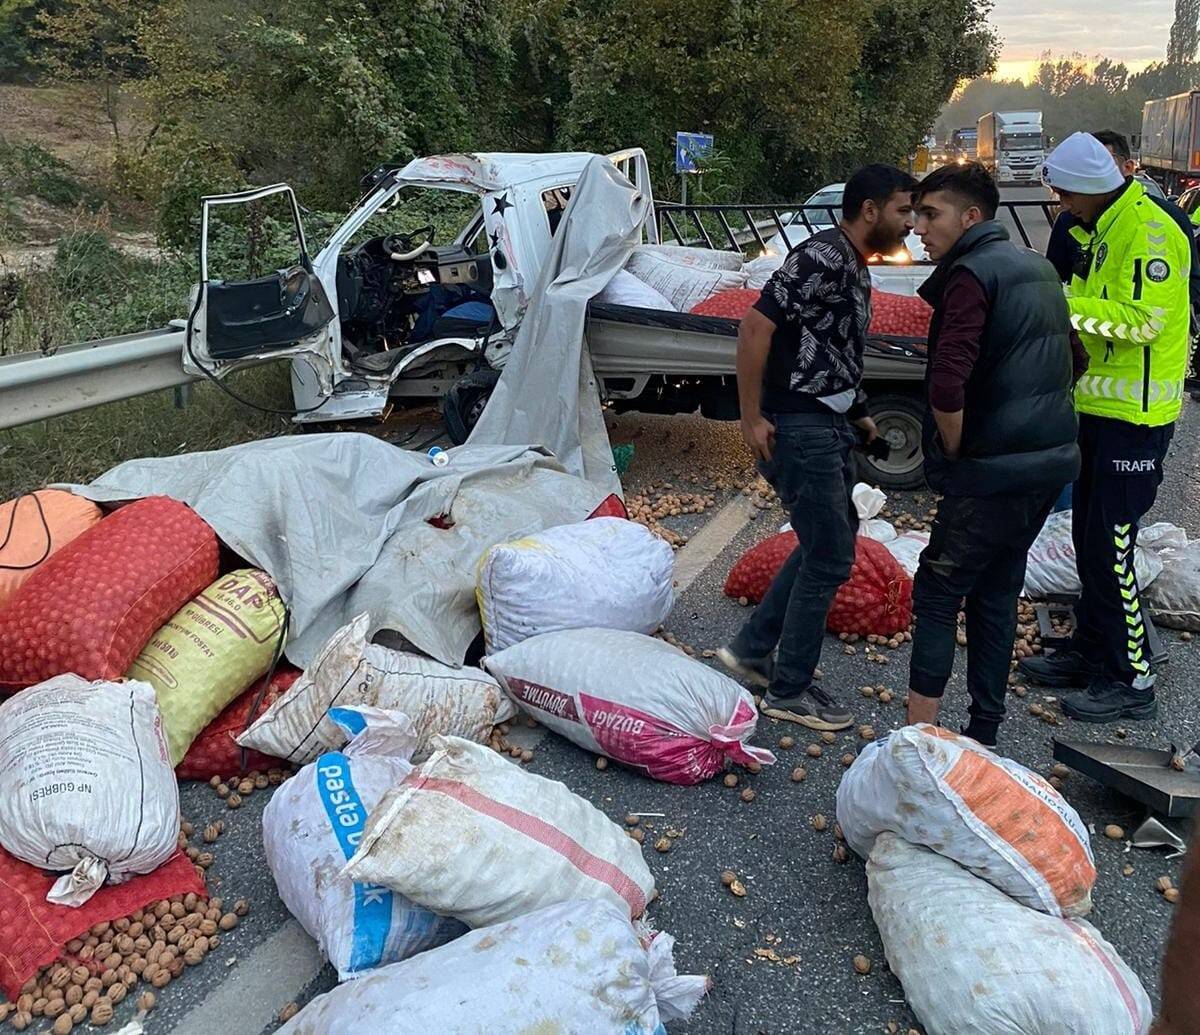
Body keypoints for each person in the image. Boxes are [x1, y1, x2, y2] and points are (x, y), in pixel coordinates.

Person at [718, 164, 917, 732]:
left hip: (823, 423)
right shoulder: (822, 257)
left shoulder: (851, 264)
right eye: (903, 211)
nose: (909, 223)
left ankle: (754, 648)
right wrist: (751, 417)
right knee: (830, 555)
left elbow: (831, 350)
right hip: (798, 428)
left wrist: (860, 415)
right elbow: (755, 329)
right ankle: (788, 690)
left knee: (828, 539)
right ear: (871, 210)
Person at [901, 163, 1082, 747]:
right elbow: (1075, 359)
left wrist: (955, 448)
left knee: (936, 588)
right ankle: (984, 734)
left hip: (992, 470)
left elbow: (947, 383)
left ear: (971, 217)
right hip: (1050, 464)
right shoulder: (1037, 266)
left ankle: (917, 742)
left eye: (931, 215)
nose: (919, 228)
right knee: (998, 589)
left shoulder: (970, 275)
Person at [1021, 132, 1192, 722]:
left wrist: (1059, 302)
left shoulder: (1148, 233)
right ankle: (1093, 652)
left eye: (1066, 194)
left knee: (1112, 546)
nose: (1062, 205)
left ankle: (1131, 678)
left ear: (1091, 187)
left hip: (1136, 419)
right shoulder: (1103, 228)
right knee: (1091, 541)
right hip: (1100, 410)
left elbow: (1143, 321)